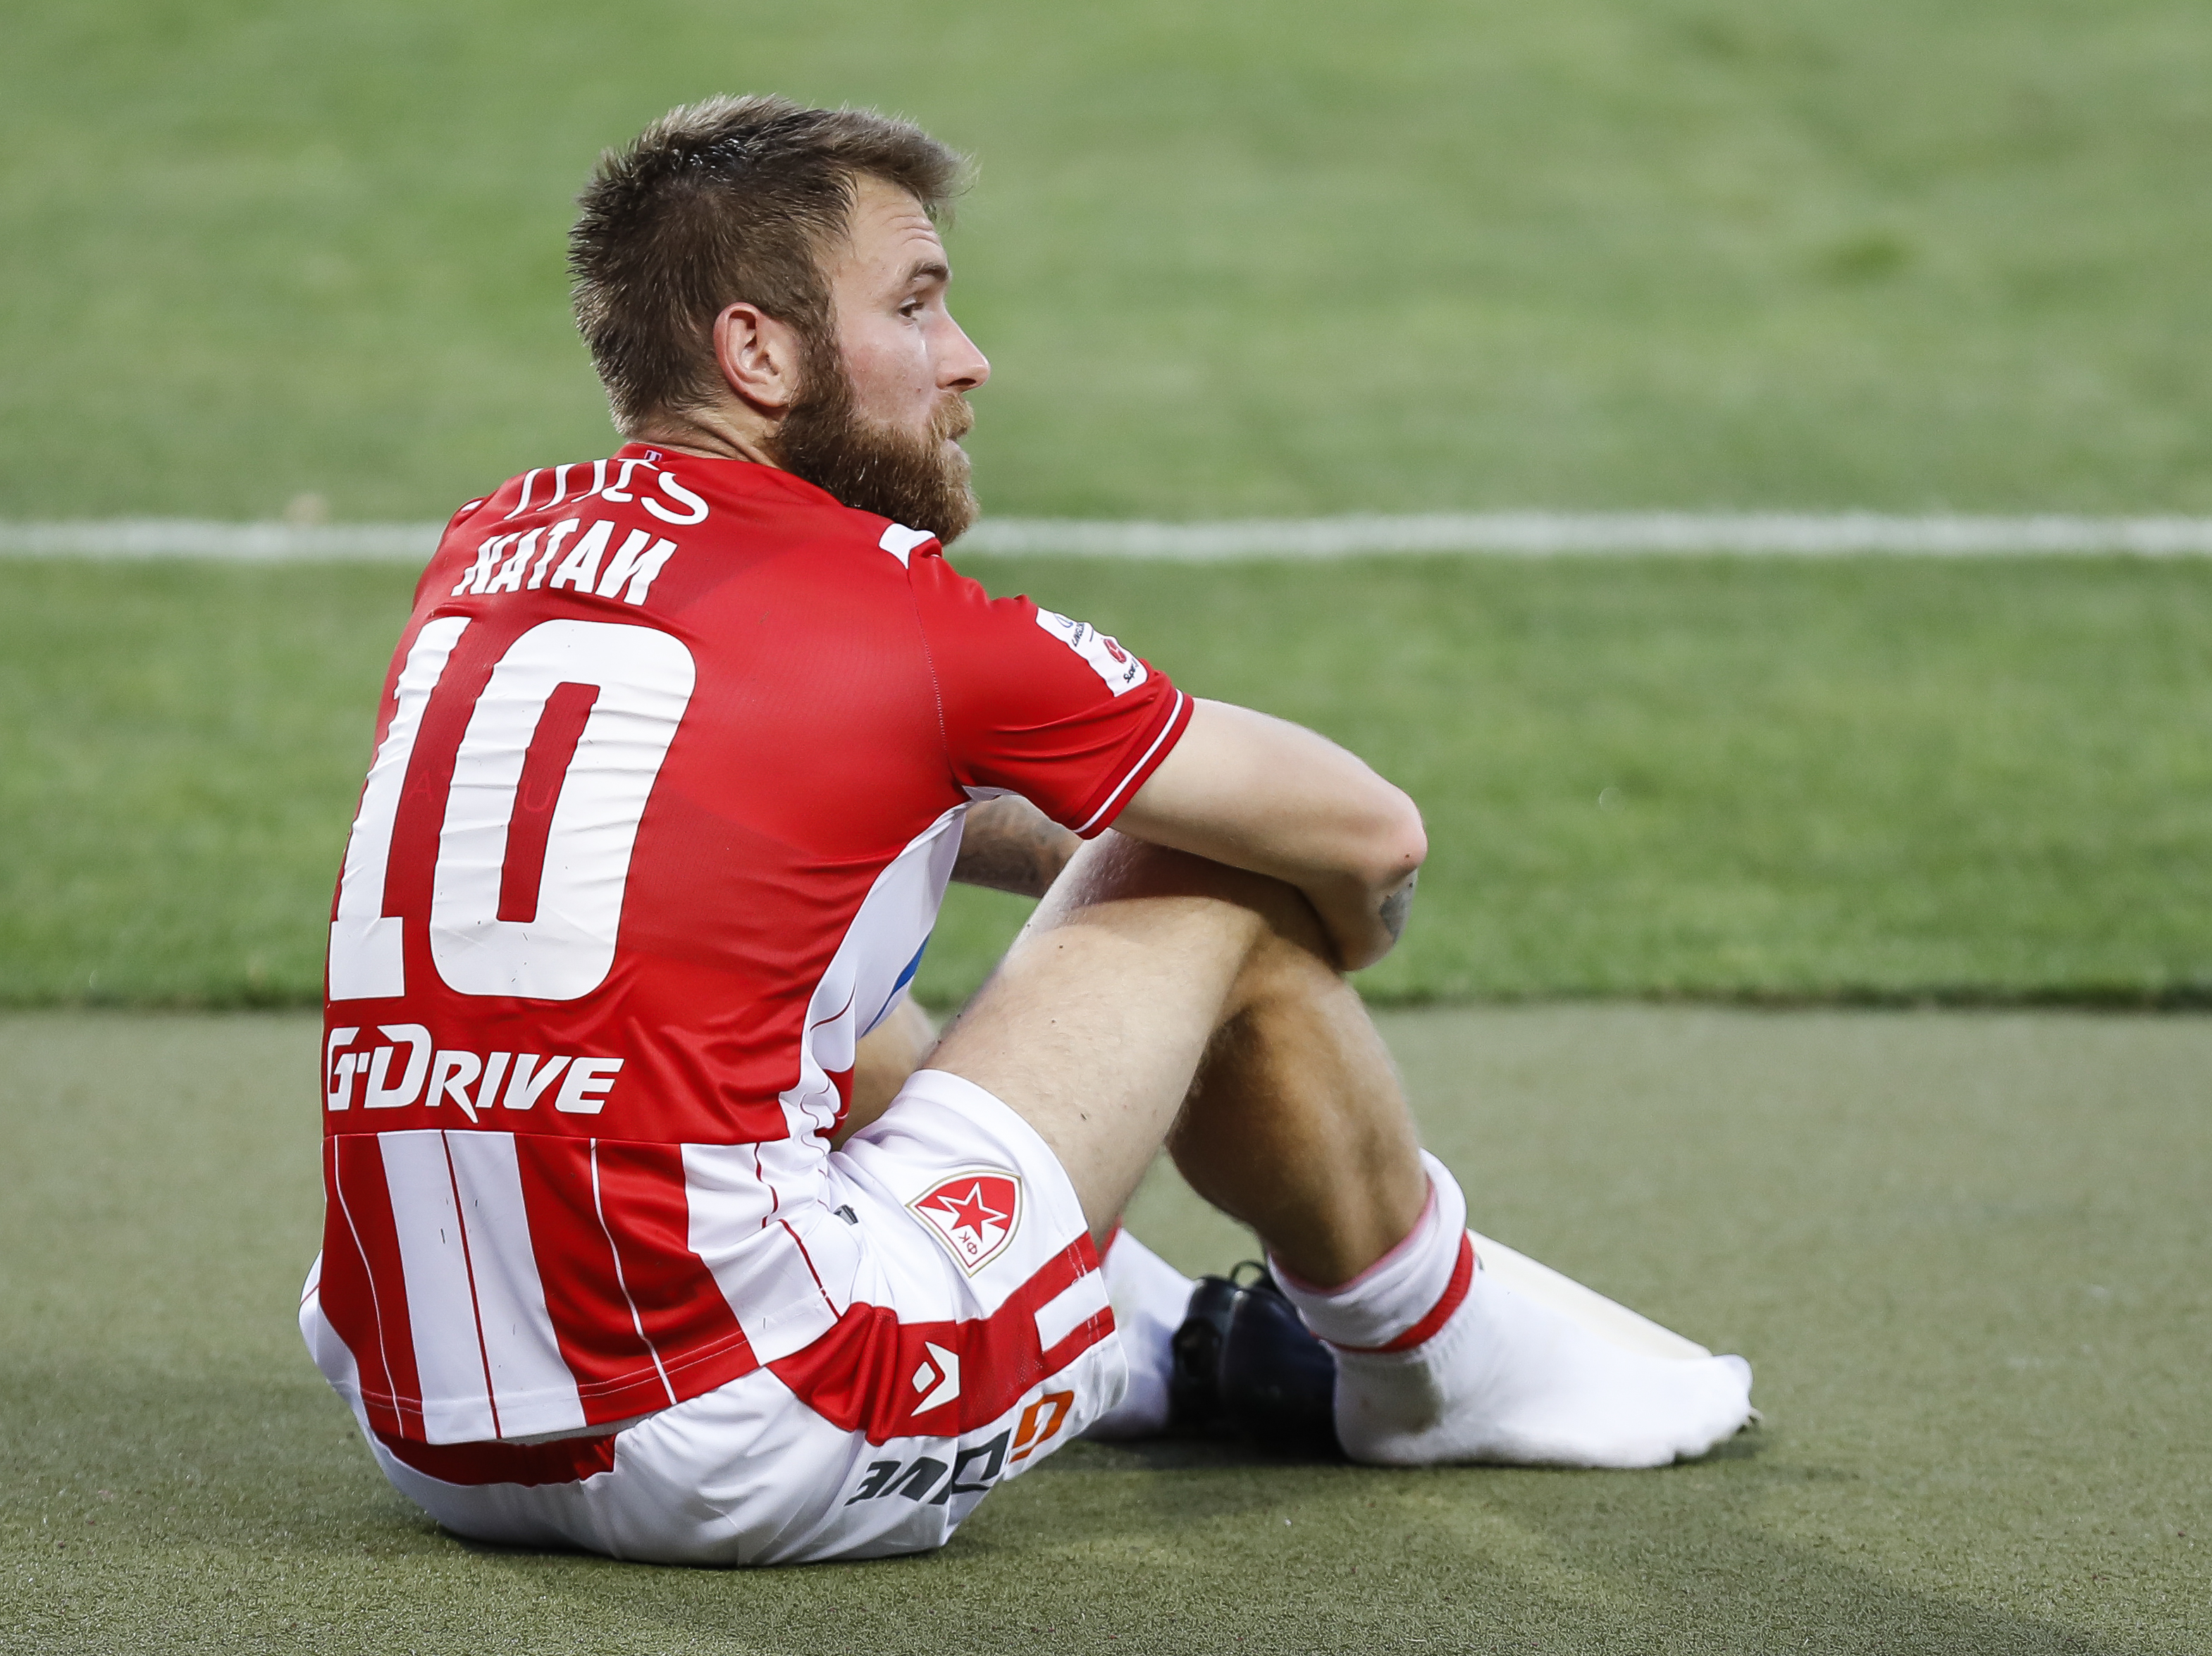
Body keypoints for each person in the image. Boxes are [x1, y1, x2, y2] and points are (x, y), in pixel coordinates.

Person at [301, 94, 1755, 1568]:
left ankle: (1157, 1328)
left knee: (763, 970)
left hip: (427, 1431)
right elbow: (1372, 836)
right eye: (918, 306)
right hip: (757, 1440)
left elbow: (811, 806)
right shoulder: (887, 610)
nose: (969, 357)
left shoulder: (491, 546)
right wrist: (1293, 932)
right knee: (1202, 862)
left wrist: (1053, 856)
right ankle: (1427, 1357)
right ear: (760, 352)